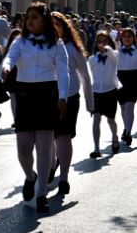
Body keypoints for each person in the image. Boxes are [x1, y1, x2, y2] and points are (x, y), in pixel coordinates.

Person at [2, 2, 69, 213]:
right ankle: (30, 177)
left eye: (35, 17)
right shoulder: (20, 42)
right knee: (23, 147)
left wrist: (63, 97)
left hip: (47, 95)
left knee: (43, 148)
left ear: (45, 20)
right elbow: (9, 58)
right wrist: (5, 68)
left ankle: (41, 194)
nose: (30, 21)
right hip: (25, 95)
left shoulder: (57, 44)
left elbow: (63, 72)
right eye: (27, 17)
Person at [51, 12, 92, 196]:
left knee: (63, 137)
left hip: (69, 97)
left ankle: (64, 178)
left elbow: (84, 75)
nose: (53, 27)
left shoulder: (73, 48)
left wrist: (90, 102)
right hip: (45, 96)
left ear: (64, 26)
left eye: (57, 24)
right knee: (48, 138)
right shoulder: (41, 46)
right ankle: (51, 164)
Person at [88, 31, 121, 159]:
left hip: (111, 91)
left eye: (105, 41)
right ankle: (96, 148)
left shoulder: (114, 55)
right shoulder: (92, 59)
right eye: (99, 41)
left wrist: (107, 49)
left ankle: (115, 137)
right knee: (96, 119)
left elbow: (114, 56)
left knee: (110, 120)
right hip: (96, 92)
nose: (102, 44)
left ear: (109, 42)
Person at [117, 27, 137, 146]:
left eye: (129, 36)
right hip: (120, 79)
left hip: (134, 79)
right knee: (123, 108)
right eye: (124, 36)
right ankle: (126, 128)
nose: (127, 38)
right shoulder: (117, 52)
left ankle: (128, 132)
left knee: (130, 107)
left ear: (133, 38)